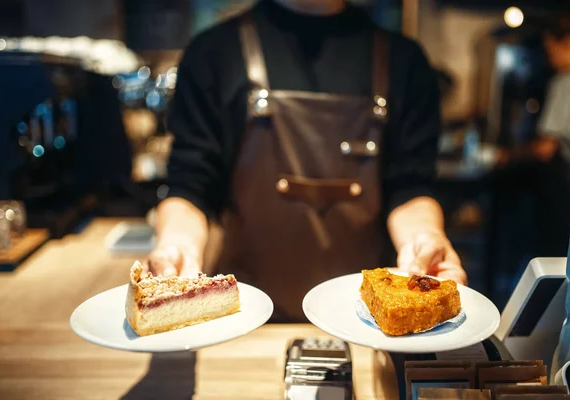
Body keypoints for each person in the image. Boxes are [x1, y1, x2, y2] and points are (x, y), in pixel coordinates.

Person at [146, 0, 467, 322]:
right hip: (241, 317)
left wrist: (424, 242)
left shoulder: (404, 60)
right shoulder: (213, 53)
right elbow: (191, 187)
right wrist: (177, 248)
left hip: (370, 323)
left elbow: (410, 187)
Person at [497, 12, 570, 256]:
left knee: (559, 258)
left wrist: (508, 155)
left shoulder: (566, 82)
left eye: (551, 50)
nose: (550, 59)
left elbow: (545, 148)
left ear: (569, 43)